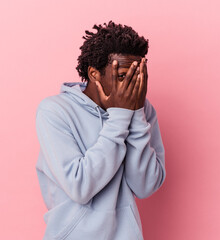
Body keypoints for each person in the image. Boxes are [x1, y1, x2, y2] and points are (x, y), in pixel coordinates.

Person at [35, 20, 166, 240]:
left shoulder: (141, 109)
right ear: (95, 74)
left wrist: (135, 115)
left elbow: (145, 186)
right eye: (123, 76)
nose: (132, 86)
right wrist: (119, 117)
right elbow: (81, 187)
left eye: (139, 76)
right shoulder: (54, 111)